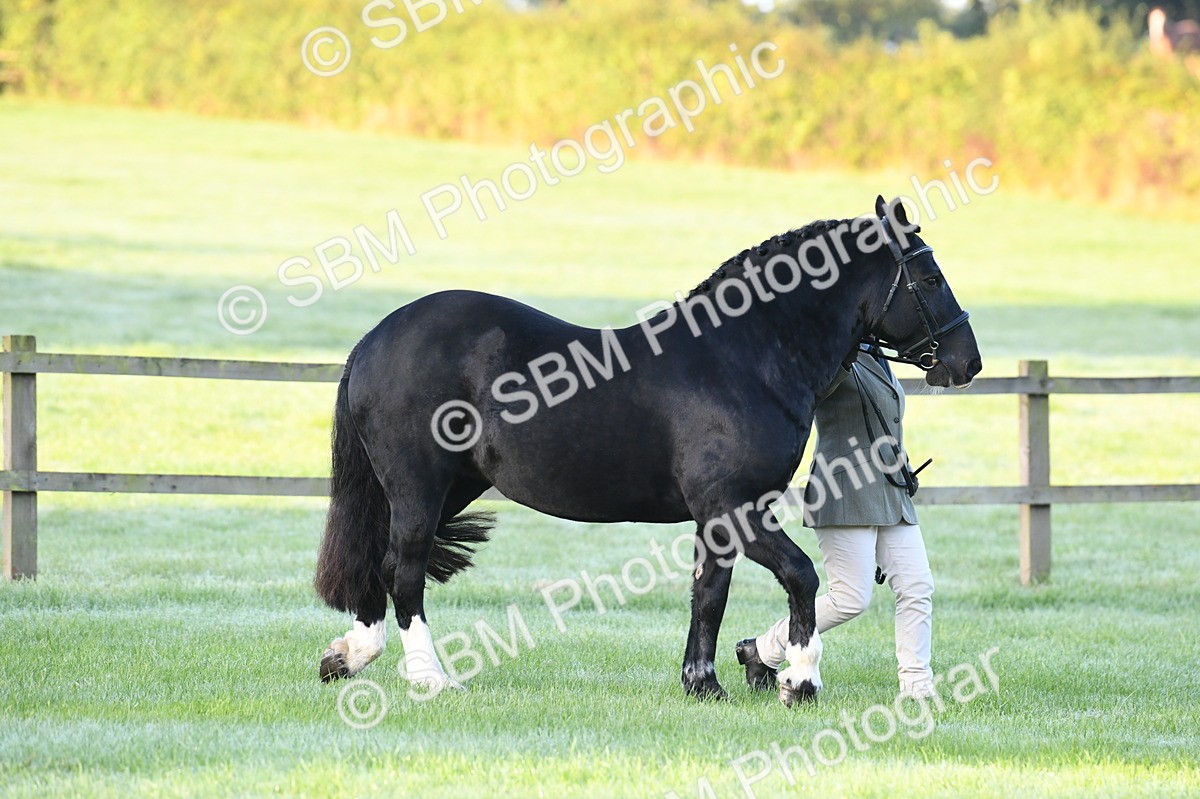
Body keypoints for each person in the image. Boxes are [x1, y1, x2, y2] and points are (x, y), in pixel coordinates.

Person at [736, 343, 936, 699]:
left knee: (918, 586)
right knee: (849, 598)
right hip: (844, 489)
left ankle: (917, 687)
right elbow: (815, 388)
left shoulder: (876, 354)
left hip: (891, 491)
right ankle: (763, 649)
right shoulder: (827, 352)